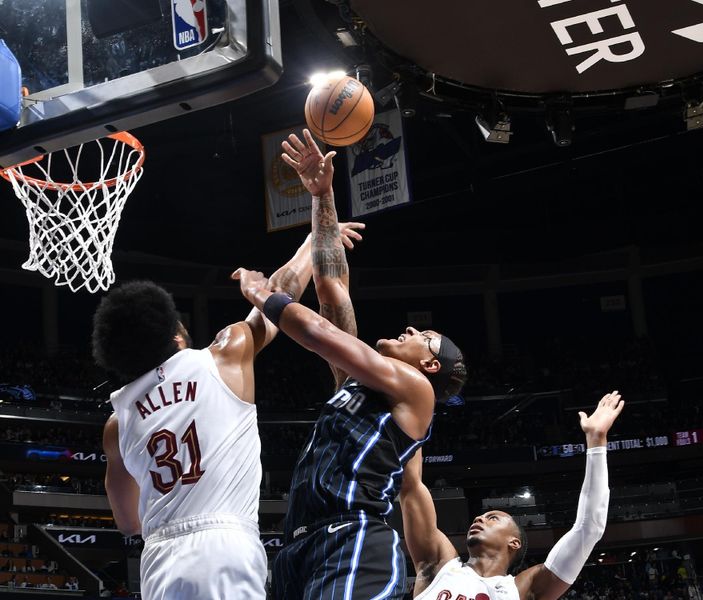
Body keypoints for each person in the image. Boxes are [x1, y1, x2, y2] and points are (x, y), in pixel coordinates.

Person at [232, 130, 467, 599]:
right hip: (299, 547)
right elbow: (331, 284)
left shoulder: (415, 392)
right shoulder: (362, 384)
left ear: (431, 367)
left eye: (424, 339)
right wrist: (321, 196)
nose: (411, 331)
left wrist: (263, 294)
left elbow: (318, 334)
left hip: (355, 538)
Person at [94, 223, 363, 600]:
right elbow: (278, 297)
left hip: (158, 558)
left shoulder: (116, 420)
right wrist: (314, 240)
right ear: (175, 337)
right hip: (223, 545)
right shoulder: (223, 354)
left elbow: (127, 521)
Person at [398, 391, 624, 600]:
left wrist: (596, 441)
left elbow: (589, 528)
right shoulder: (439, 564)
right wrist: (413, 402)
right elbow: (411, 486)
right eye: (482, 517)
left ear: (514, 542)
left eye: (492, 518)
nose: (478, 519)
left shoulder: (523, 589)